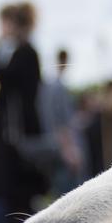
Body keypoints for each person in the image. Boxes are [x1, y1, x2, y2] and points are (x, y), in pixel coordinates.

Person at [0, 1, 47, 223]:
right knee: (12, 195)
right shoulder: (21, 52)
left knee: (20, 194)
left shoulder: (25, 53)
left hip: (19, 137)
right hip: (11, 137)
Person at [38, 47, 85, 196]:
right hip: (63, 148)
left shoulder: (48, 88)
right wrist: (68, 149)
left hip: (56, 146)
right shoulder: (58, 88)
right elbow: (59, 122)